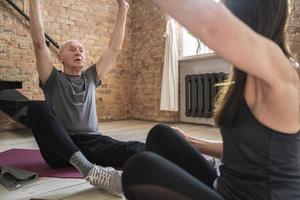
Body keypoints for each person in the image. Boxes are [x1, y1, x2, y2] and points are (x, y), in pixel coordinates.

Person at [122, 0, 300, 200]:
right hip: (224, 188)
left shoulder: (282, 72)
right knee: (162, 135)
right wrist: (192, 142)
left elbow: (209, 21)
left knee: (141, 170)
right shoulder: (247, 75)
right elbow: (245, 151)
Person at [27, 0, 145, 196]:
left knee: (138, 148)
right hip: (61, 149)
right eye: (72, 49)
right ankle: (88, 169)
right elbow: (39, 42)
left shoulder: (91, 77)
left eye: (81, 50)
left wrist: (123, 7)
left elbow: (114, 48)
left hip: (94, 144)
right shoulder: (52, 78)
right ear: (60, 57)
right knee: (37, 109)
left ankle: (192, 161)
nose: (78, 52)